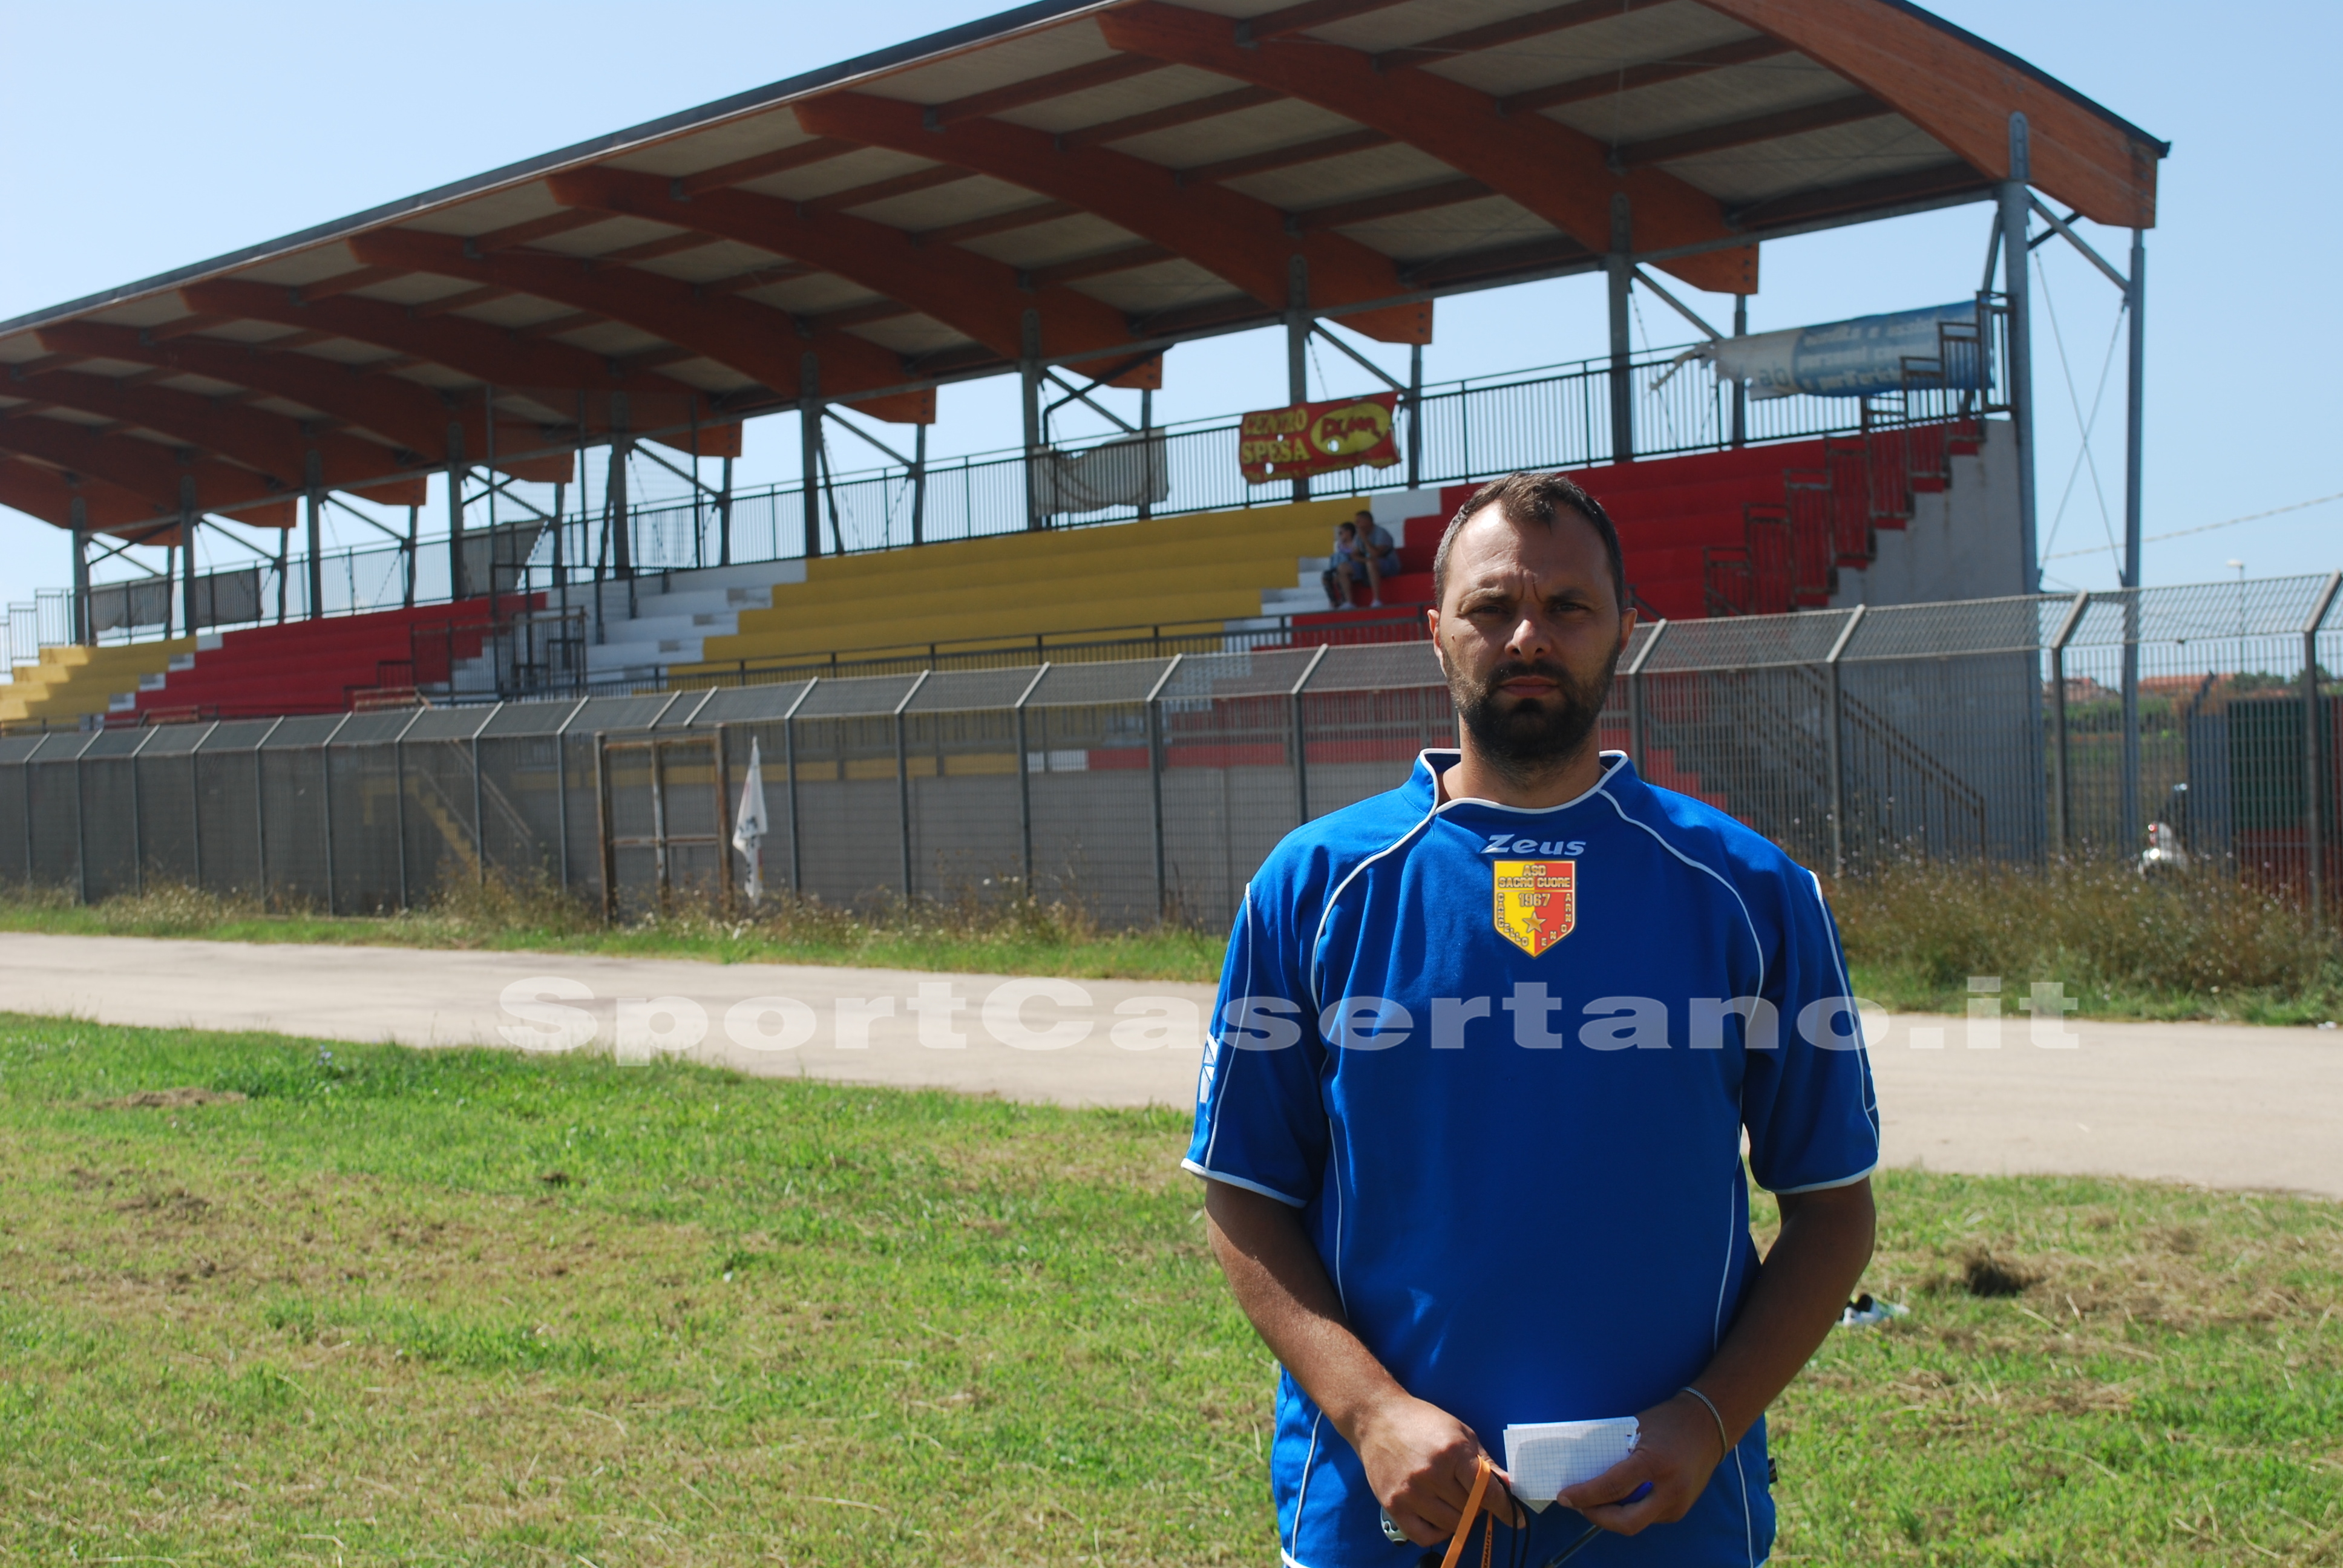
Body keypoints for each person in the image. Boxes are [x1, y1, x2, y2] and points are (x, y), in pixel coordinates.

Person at [1188, 470, 1879, 1566]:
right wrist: (1370, 1414)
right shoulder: (1314, 886)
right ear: (1434, 631)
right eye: (1490, 607)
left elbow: (1833, 1213)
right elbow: (1243, 1194)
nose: (1527, 636)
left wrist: (1705, 1420)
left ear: (1623, 630)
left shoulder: (1751, 892)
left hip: (1669, 1517)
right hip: (1383, 1511)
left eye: (1566, 608)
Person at [1322, 510, 1400, 610]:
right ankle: (1349, 602)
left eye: (1359, 521)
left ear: (1368, 521)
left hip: (1389, 564)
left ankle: (1377, 600)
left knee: (1371, 564)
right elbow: (1354, 555)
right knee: (1342, 567)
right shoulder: (1359, 535)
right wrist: (1365, 560)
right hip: (1367, 563)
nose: (1357, 524)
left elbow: (1376, 554)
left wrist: (1365, 539)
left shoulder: (1381, 533)